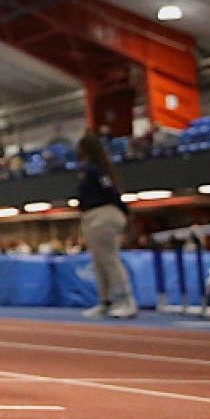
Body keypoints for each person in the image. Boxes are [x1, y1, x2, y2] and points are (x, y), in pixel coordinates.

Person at [76, 132, 135, 318]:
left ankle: (126, 300)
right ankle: (105, 301)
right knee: (99, 261)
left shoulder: (95, 171)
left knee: (109, 259)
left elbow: (110, 192)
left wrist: (124, 212)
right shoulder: (91, 170)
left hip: (103, 216)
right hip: (93, 217)